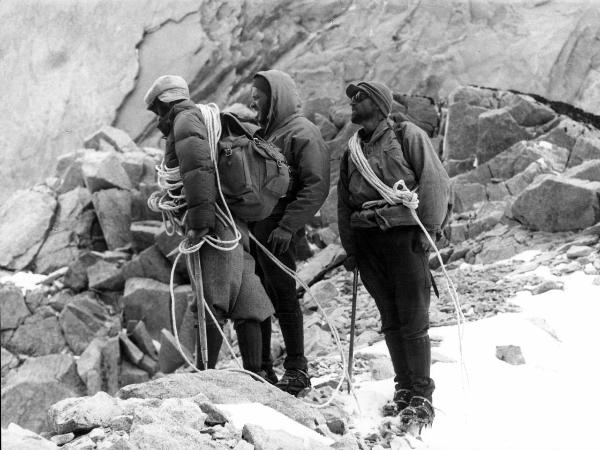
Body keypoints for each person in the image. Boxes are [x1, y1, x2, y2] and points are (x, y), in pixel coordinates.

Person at [144, 75, 275, 377]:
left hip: (214, 222)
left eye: (156, 113)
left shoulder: (185, 120)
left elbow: (197, 169)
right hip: (232, 220)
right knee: (245, 293)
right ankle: (258, 372)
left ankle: (206, 375)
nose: (158, 121)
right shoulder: (202, 117)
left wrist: (199, 223)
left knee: (210, 299)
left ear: (165, 104)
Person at [337, 81, 450, 427]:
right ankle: (403, 389)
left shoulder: (407, 136)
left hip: (404, 236)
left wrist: (425, 231)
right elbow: (344, 202)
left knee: (413, 320)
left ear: (379, 103)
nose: (353, 103)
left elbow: (434, 183)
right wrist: (351, 248)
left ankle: (422, 396)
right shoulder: (351, 150)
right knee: (390, 320)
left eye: (360, 97)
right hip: (370, 241)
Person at [249, 70, 330, 395]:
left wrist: (287, 226)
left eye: (259, 95)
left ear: (276, 96)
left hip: (279, 233)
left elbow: (316, 185)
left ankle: (297, 369)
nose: (253, 101)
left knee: (283, 297)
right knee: (262, 298)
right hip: (259, 233)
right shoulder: (267, 133)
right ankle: (264, 369)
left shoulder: (302, 132)